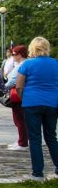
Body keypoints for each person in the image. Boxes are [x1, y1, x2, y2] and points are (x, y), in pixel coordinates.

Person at [16, 37, 58, 180]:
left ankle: (38, 173)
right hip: (52, 103)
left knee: (35, 139)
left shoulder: (27, 64)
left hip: (32, 102)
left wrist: (25, 98)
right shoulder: (55, 64)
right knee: (51, 137)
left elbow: (19, 86)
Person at [4, 45, 29, 151]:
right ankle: (21, 140)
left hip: (17, 94)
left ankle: (23, 142)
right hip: (20, 93)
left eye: (14, 54)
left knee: (19, 119)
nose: (12, 55)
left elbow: (14, 81)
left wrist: (3, 88)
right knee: (19, 119)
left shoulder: (21, 65)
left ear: (20, 54)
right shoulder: (21, 64)